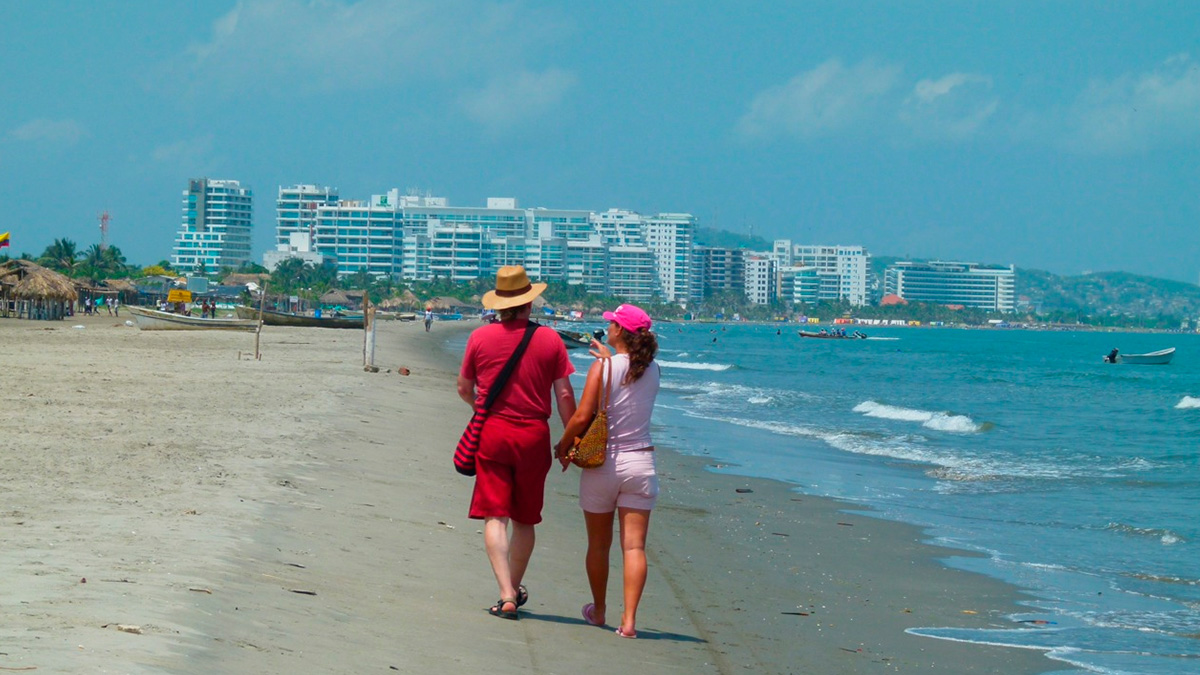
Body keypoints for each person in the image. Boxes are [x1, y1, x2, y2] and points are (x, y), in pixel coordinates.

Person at [457, 266, 577, 621]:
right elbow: (565, 394)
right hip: (534, 436)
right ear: (528, 303)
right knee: (526, 519)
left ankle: (507, 593)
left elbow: (465, 388)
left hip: (493, 432)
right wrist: (570, 438)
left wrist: (482, 409)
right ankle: (513, 588)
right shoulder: (550, 340)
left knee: (496, 515)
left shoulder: (480, 339)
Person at [555, 303, 660, 639]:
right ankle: (629, 622)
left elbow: (583, 417)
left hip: (605, 466)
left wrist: (563, 446)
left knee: (599, 545)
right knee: (634, 548)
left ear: (620, 332)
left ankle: (598, 611)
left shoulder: (603, 369)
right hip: (641, 463)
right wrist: (607, 358)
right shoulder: (654, 369)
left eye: (612, 323)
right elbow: (627, 374)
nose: (609, 327)